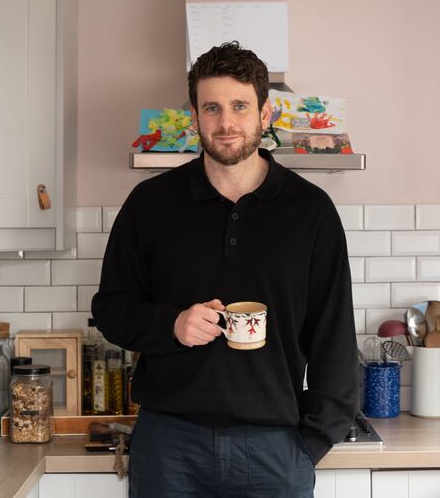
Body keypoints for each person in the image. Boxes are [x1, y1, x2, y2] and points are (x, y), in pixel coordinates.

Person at [92, 41, 357, 498]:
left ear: (265, 113)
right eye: (211, 108)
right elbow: (111, 310)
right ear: (195, 117)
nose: (226, 123)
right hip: (169, 446)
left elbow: (334, 337)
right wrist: (172, 324)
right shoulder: (150, 205)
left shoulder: (311, 212)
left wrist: (311, 442)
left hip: (274, 448)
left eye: (240, 106)